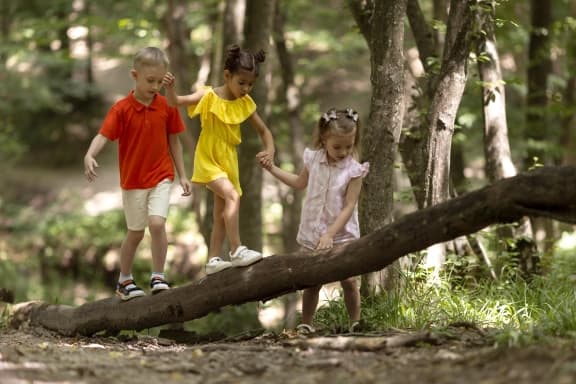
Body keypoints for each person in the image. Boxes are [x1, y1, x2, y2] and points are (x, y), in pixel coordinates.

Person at [83, 47, 192, 301]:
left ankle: (158, 275)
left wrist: (183, 175)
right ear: (135, 75)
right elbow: (104, 135)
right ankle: (125, 280)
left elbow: (174, 142)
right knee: (135, 233)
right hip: (133, 182)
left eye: (159, 81)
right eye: (150, 81)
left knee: (157, 223)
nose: (155, 86)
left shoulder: (167, 106)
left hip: (162, 176)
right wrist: (90, 154)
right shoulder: (121, 109)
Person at [162, 44, 274, 275]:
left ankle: (212, 260)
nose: (246, 88)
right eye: (241, 82)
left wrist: (269, 150)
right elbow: (176, 102)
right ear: (227, 75)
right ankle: (236, 249)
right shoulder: (208, 95)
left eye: (250, 84)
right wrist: (170, 89)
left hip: (228, 159)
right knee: (232, 195)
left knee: (220, 214)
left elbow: (264, 131)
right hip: (208, 157)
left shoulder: (245, 103)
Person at [261, 107, 369, 333]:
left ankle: (355, 322)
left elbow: (350, 205)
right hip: (313, 232)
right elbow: (299, 183)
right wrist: (272, 169)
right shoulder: (313, 159)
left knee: (349, 280)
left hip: (342, 233)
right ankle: (307, 324)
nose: (343, 151)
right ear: (323, 139)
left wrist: (331, 234)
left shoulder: (354, 169)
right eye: (337, 146)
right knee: (312, 281)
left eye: (349, 146)